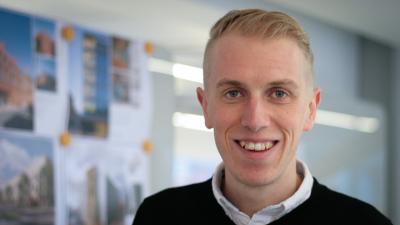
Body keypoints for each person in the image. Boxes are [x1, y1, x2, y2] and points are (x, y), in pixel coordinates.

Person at [133, 9, 393, 225]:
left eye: (279, 93)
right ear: (206, 106)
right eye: (233, 93)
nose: (255, 120)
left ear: (310, 110)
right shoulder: (158, 215)